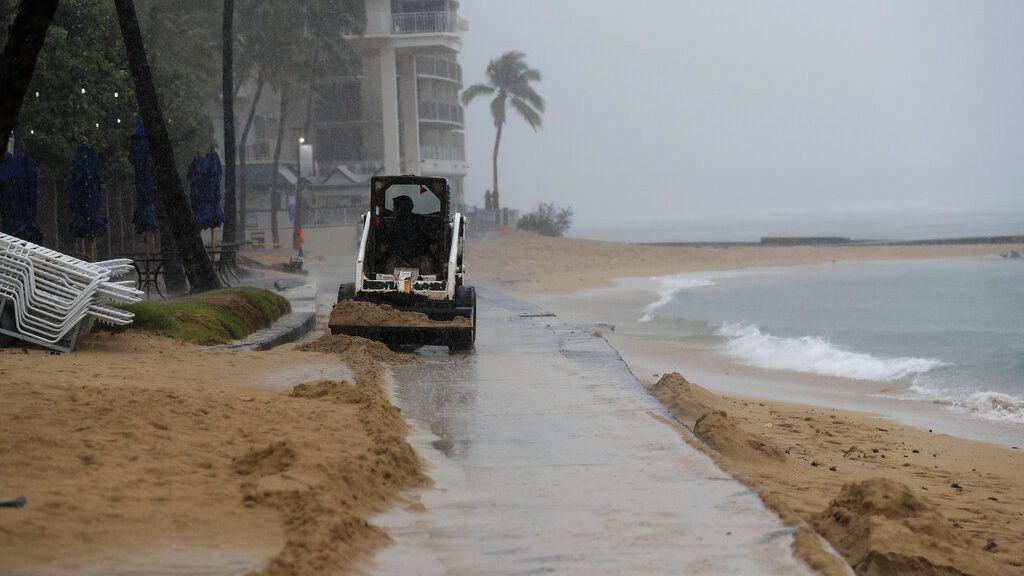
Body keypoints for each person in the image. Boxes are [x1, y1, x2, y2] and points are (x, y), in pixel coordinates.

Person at [386, 195, 434, 274]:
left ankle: (388, 283)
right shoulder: (421, 221)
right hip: (403, 258)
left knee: (425, 263)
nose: (393, 210)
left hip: (415, 257)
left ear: (400, 209)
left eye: (395, 207)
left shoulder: (396, 224)